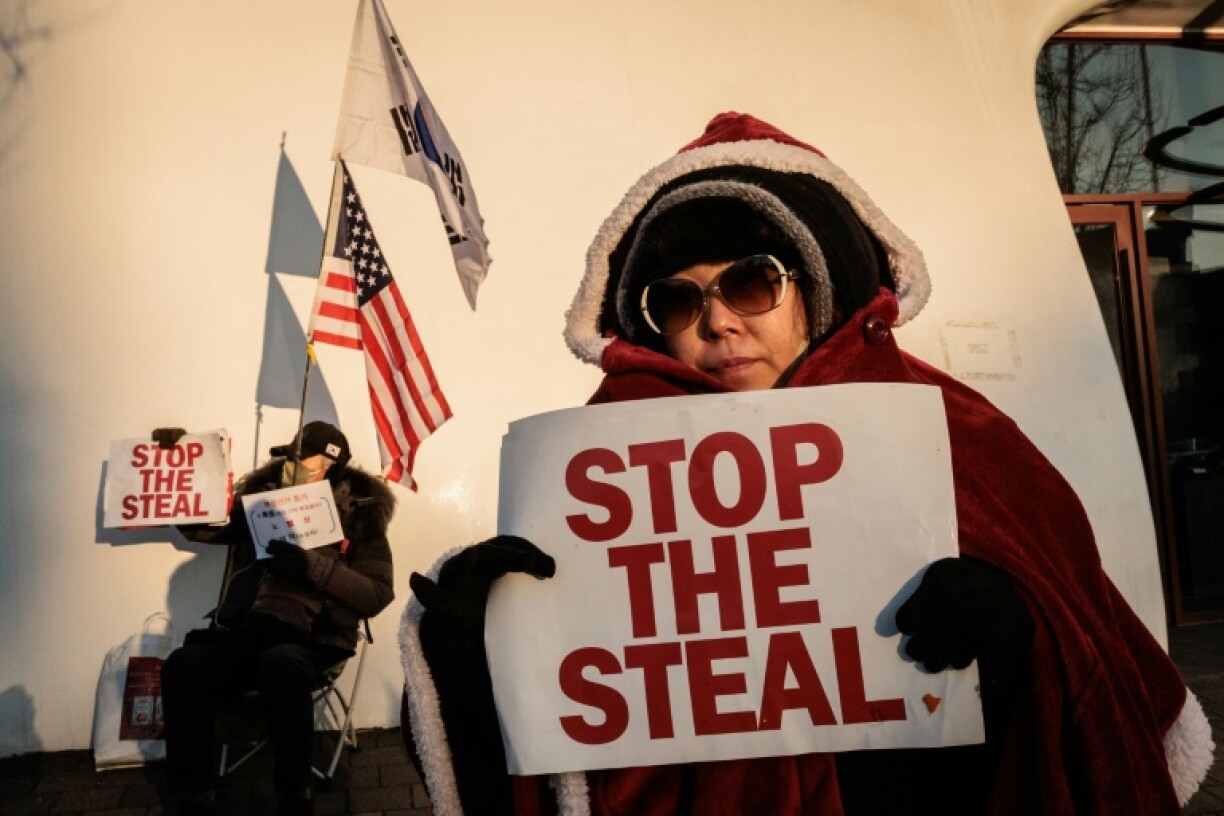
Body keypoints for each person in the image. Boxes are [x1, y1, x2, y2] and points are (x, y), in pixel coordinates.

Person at [400, 113, 1213, 814]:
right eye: (679, 301)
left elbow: (1084, 677)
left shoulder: (955, 429)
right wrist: (479, 645)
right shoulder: (596, 463)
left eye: (752, 283)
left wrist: (1016, 637)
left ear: (815, 287)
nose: (717, 323)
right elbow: (557, 747)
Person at [159, 421, 396, 816]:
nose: (293, 464)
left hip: (315, 638)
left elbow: (375, 595)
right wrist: (180, 460)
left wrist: (311, 566)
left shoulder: (360, 516)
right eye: (290, 455)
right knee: (184, 665)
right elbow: (202, 525)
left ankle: (293, 795)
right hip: (248, 631)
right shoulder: (262, 506)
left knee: (280, 663)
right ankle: (192, 794)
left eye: (304, 458)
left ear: (331, 464)